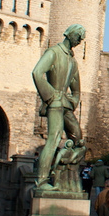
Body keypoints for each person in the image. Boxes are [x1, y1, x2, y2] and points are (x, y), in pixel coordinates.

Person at [32, 24, 86, 189]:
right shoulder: (54, 53)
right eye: (78, 36)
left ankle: (59, 171)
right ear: (70, 34)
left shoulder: (73, 62)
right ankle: (41, 181)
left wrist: (72, 102)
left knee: (79, 139)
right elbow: (37, 73)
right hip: (55, 102)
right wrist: (50, 96)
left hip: (65, 105)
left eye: (81, 38)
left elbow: (76, 90)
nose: (80, 40)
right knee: (54, 139)